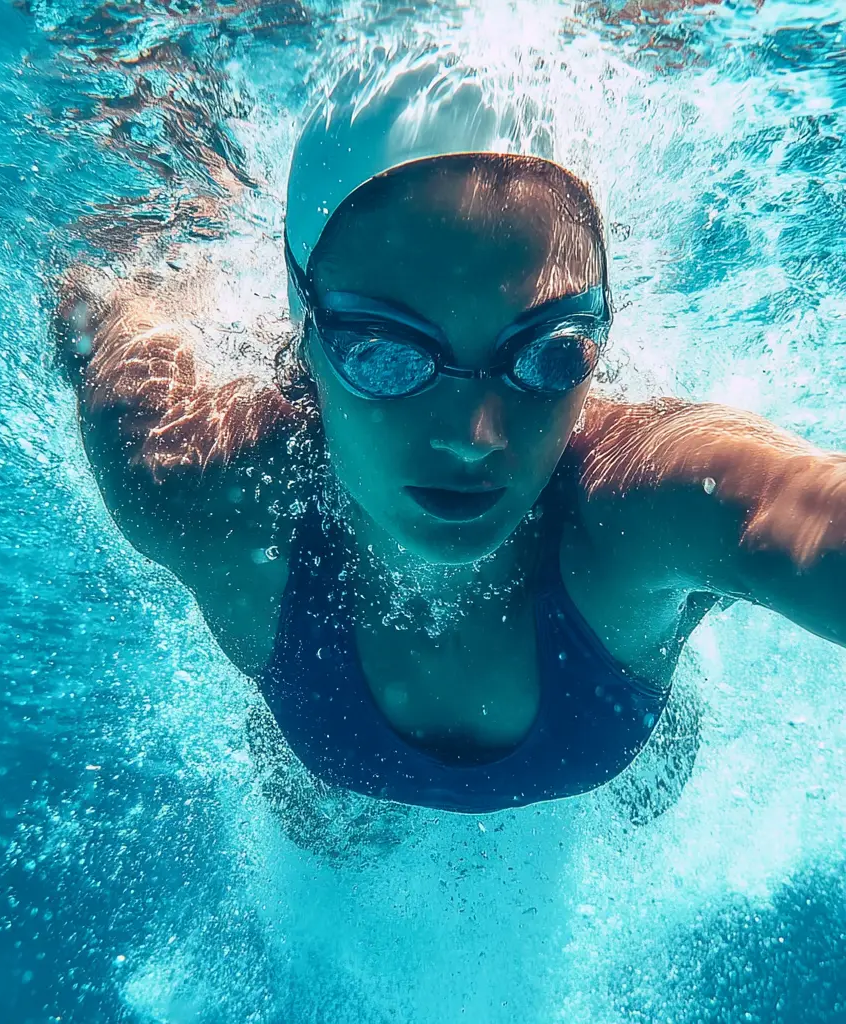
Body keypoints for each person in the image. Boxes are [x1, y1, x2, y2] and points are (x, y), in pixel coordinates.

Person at [55, 55, 845, 818]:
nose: (475, 436)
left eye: (551, 351)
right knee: (329, 832)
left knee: (650, 797)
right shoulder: (190, 479)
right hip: (340, 748)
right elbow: (98, 311)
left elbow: (794, 509)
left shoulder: (640, 507)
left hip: (607, 724)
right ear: (303, 335)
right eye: (385, 353)